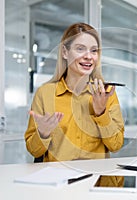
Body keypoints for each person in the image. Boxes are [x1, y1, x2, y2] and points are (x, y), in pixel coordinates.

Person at [25, 22, 125, 162]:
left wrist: (101, 113)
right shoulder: (45, 93)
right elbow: (34, 151)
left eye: (94, 51)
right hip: (58, 180)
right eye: (80, 49)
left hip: (97, 180)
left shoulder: (106, 93)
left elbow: (116, 145)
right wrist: (43, 133)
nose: (89, 56)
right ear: (65, 52)